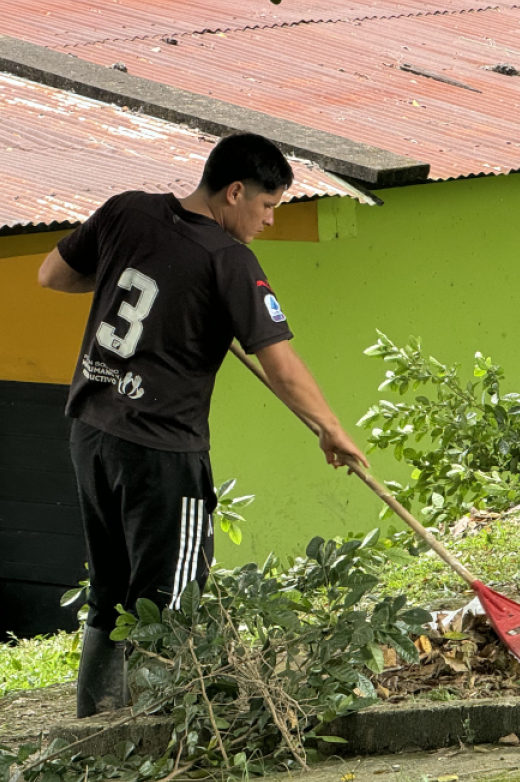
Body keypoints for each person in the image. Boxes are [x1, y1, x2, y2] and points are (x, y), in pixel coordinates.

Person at [38, 133, 369, 718]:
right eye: (266, 206)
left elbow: (53, 277)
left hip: (91, 430)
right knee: (173, 596)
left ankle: (98, 725)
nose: (268, 221)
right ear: (235, 191)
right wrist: (329, 428)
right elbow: (282, 365)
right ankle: (156, 728)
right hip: (162, 450)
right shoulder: (228, 259)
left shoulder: (127, 210)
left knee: (112, 589)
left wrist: (139, 275)